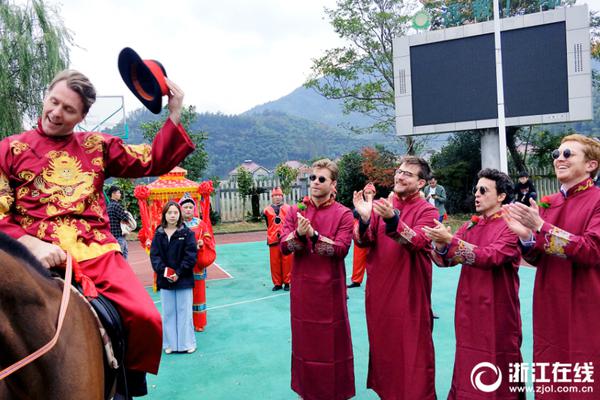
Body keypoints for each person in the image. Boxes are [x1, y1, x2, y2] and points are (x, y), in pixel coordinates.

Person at [0, 69, 194, 396]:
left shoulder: (97, 146)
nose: (56, 113)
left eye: (68, 110)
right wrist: (28, 243)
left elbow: (151, 160)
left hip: (96, 252)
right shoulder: (9, 149)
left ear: (82, 116)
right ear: (46, 96)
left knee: (148, 318)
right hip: (29, 254)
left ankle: (122, 388)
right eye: (54, 102)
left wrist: (175, 112)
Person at [503, 134, 600, 397]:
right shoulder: (548, 203)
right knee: (552, 372)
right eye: (557, 154)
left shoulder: (598, 201)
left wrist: (541, 227)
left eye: (568, 154)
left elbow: (592, 251)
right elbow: (536, 257)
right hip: (549, 304)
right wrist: (526, 237)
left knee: (585, 374)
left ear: (591, 165)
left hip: (585, 303)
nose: (559, 158)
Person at [424, 169, 524, 399]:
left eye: (483, 190)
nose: (476, 195)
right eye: (475, 190)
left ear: (501, 196)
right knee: (468, 360)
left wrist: (451, 242)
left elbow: (492, 257)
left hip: (498, 310)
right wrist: (441, 244)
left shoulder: (512, 225)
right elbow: (445, 260)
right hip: (469, 309)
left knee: (499, 359)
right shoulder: (471, 225)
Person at [353, 155, 438, 399]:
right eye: (399, 172)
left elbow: (418, 241)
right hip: (379, 296)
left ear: (421, 183)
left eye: (407, 174)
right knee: (385, 354)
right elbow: (363, 241)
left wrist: (392, 219)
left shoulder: (427, 210)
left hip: (409, 296)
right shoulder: (384, 205)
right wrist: (365, 217)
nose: (399, 176)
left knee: (413, 355)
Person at [280, 158, 355, 400]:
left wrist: (313, 234)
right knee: (305, 345)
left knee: (332, 344)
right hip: (303, 292)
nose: (315, 182)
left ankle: (335, 393)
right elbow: (284, 246)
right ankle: (307, 392)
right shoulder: (294, 211)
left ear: (333, 184)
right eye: (312, 178)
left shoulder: (343, 213)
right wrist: (298, 235)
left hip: (330, 293)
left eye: (321, 179)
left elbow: (341, 249)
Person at [150, 201, 197, 354]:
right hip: (165, 281)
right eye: (169, 212)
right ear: (164, 214)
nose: (172, 215)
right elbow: (155, 256)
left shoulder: (187, 233)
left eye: (175, 212)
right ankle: (169, 344)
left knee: (184, 312)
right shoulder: (159, 234)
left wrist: (178, 272)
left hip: (183, 279)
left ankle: (187, 343)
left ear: (179, 215)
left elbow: (190, 256)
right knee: (168, 312)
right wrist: (165, 272)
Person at [179, 193, 216, 332]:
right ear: (180, 209)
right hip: (182, 265)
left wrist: (202, 243)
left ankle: (199, 323)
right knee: (183, 294)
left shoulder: (200, 223)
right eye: (185, 207)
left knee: (199, 294)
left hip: (197, 265)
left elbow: (209, 240)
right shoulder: (176, 224)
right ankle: (184, 322)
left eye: (190, 207)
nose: (188, 209)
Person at [263, 187, 292, 291]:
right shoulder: (266, 210)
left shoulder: (288, 208)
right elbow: (268, 224)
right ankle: (277, 283)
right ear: (272, 197)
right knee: (275, 262)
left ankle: (287, 282)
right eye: (275, 196)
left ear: (282, 196)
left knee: (287, 261)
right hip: (273, 239)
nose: (277, 197)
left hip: (285, 239)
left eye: (279, 195)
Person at [347, 182, 376, 288]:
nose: (368, 194)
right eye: (366, 192)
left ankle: (375, 280)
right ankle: (356, 280)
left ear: (374, 194)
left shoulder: (378, 205)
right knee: (358, 257)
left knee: (376, 259)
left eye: (370, 192)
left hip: (375, 237)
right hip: (361, 235)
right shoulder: (358, 204)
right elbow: (354, 217)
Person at [107, 185, 133, 259]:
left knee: (118, 258)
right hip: (119, 236)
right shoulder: (116, 206)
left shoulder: (109, 206)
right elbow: (126, 218)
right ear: (113, 194)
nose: (120, 194)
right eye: (118, 193)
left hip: (113, 236)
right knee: (122, 258)